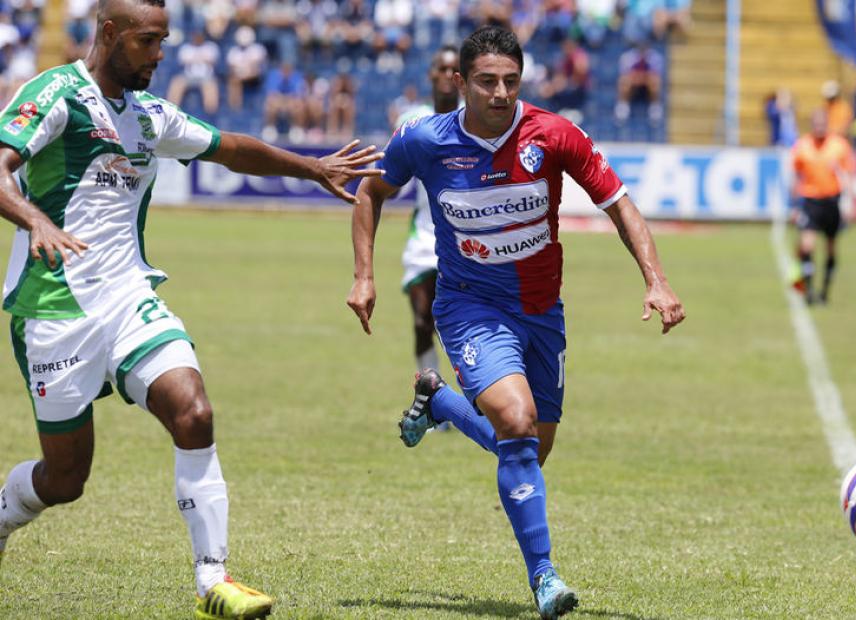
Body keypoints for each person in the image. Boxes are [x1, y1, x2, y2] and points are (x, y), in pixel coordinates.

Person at [0, 2, 382, 619]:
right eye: (147, 41)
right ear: (108, 33)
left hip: (129, 300)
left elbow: (230, 148)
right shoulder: (56, 94)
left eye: (164, 41)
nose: (159, 54)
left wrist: (312, 168)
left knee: (194, 411)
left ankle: (214, 581)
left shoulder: (149, 115)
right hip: (56, 311)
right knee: (65, 481)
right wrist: (36, 218)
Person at [347, 26, 684, 619]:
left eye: (510, 81)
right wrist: (364, 275)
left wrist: (655, 278)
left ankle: (442, 404)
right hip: (468, 306)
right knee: (517, 423)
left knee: (529, 449)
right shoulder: (424, 139)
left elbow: (620, 204)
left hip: (541, 312)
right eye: (486, 81)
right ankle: (545, 578)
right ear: (461, 83)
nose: (500, 92)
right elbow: (371, 193)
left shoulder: (553, 135)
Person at [393, 45, 460, 428]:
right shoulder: (413, 122)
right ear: (432, 75)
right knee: (422, 322)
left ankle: (461, 403)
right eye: (442, 67)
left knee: (458, 324)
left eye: (456, 68)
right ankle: (434, 401)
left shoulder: (475, 121)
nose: (449, 75)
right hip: (424, 238)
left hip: (466, 238)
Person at [791, 108, 855, 305]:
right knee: (807, 245)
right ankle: (808, 291)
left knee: (831, 248)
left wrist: (848, 202)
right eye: (816, 124)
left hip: (832, 201)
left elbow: (848, 175)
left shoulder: (839, 146)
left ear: (827, 124)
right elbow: (795, 174)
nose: (819, 127)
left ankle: (825, 291)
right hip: (811, 201)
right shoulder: (802, 146)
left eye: (822, 124)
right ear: (812, 125)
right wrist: (794, 205)